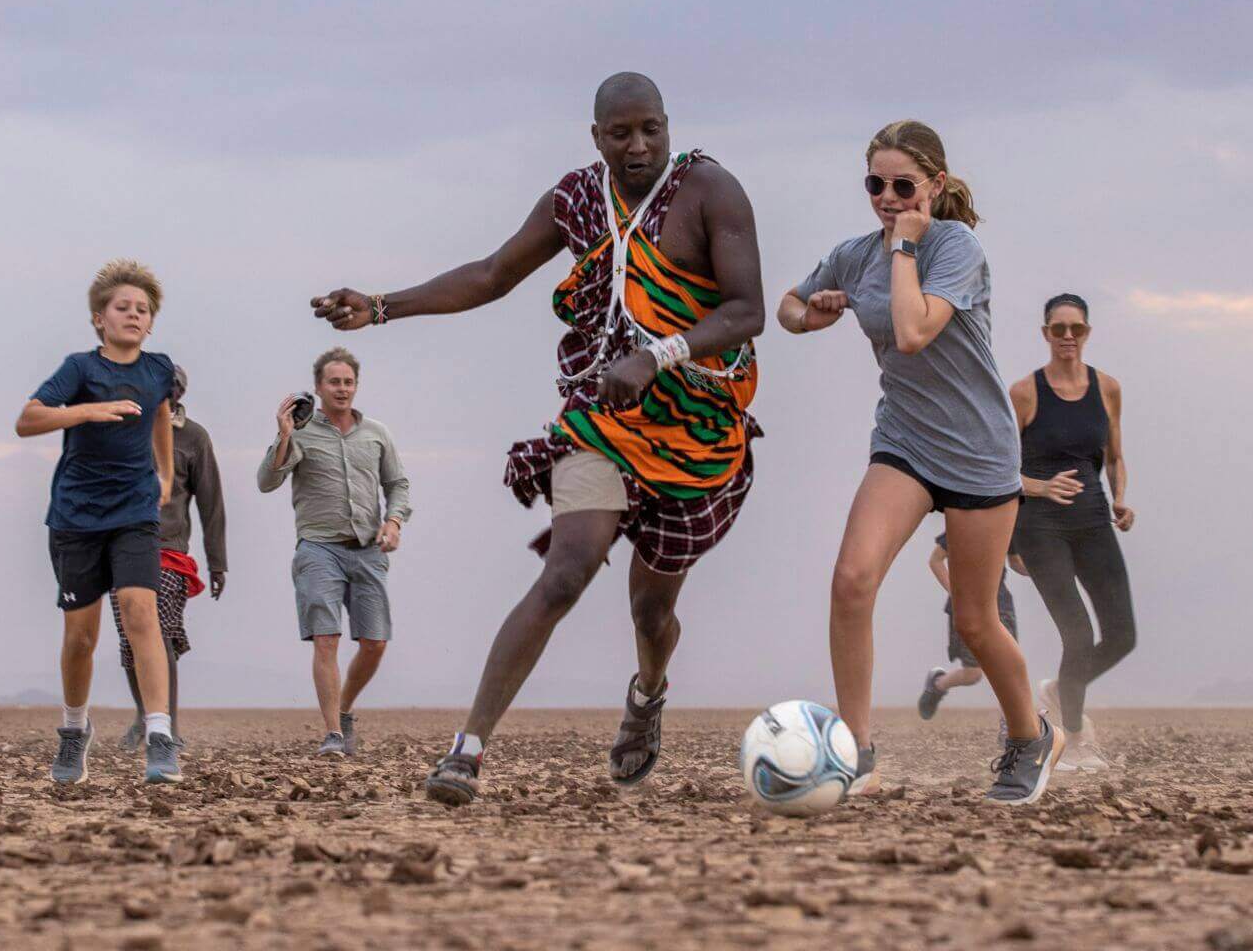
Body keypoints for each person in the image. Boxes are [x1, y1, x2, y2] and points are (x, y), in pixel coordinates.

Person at [309, 72, 764, 806]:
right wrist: (383, 307)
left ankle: (647, 695)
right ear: (596, 138)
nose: (639, 145)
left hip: (694, 429)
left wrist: (658, 355)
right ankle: (468, 750)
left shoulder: (712, 192)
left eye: (651, 129)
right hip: (601, 419)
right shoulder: (577, 201)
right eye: (621, 133)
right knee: (566, 570)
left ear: (669, 127)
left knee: (651, 611)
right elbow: (493, 273)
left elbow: (746, 311)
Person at [780, 119, 1060, 804]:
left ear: (934, 184)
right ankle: (856, 750)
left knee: (974, 620)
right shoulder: (854, 253)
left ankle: (1030, 736)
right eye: (874, 183)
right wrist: (810, 313)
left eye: (902, 184)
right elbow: (785, 308)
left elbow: (910, 332)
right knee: (852, 580)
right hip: (905, 441)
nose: (886, 196)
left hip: (977, 451)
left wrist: (906, 245)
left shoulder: (956, 247)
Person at [13, 259, 182, 785]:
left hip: (134, 511)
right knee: (81, 637)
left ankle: (160, 736)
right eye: (123, 307)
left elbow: (158, 411)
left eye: (143, 310)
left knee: (139, 612)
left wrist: (166, 473)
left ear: (151, 323)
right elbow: (28, 419)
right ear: (99, 318)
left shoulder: (158, 369)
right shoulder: (80, 369)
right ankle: (73, 731)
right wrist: (86, 411)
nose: (133, 315)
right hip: (76, 515)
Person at [256, 348, 410, 759]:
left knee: (375, 642)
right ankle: (332, 735)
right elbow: (266, 481)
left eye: (348, 382)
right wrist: (285, 434)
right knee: (326, 639)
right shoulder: (302, 432)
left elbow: (398, 484)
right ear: (319, 387)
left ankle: (342, 710)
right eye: (333, 382)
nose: (341, 389)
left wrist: (393, 522)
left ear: (356, 386)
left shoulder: (376, 433)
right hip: (318, 548)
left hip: (367, 550)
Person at [1008, 292, 1135, 772]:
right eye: (1058, 329)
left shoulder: (1108, 388)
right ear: (1045, 334)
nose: (1067, 337)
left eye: (1075, 329)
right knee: (1078, 636)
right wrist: (1039, 487)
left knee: (1122, 635)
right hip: (1041, 529)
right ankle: (1074, 743)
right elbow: (996, 468)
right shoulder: (1024, 392)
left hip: (1094, 523)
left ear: (1087, 332)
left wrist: (1120, 497)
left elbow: (1117, 457)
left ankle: (1061, 691)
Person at [107, 365, 227, 751]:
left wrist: (217, 561)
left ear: (181, 392)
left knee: (163, 636)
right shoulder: (121, 428)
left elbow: (211, 503)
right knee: (131, 638)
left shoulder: (193, 438)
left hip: (169, 549)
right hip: (122, 546)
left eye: (172, 386)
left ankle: (167, 729)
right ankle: (146, 716)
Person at [916, 533, 1023, 726]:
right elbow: (936, 560)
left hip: (1000, 604)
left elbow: (1016, 563)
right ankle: (938, 685)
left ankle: (1010, 725)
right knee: (972, 674)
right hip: (966, 605)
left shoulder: (1008, 525)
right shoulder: (962, 523)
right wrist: (956, 593)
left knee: (1008, 667)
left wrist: (1048, 570)